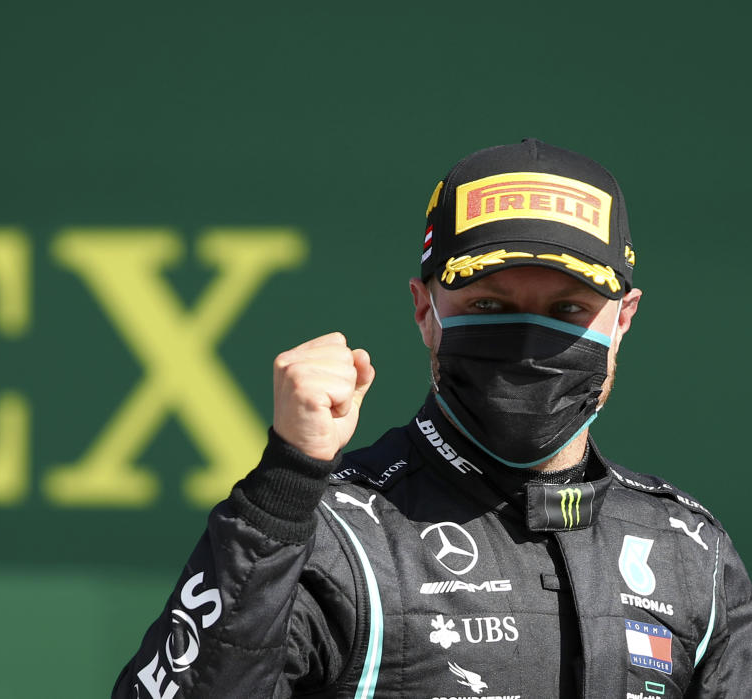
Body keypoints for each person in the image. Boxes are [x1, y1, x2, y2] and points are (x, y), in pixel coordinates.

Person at [113, 139, 752, 698]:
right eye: (488, 302)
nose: (528, 339)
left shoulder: (689, 552)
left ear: (625, 318)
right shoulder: (334, 535)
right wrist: (285, 483)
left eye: (567, 308)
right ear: (425, 310)